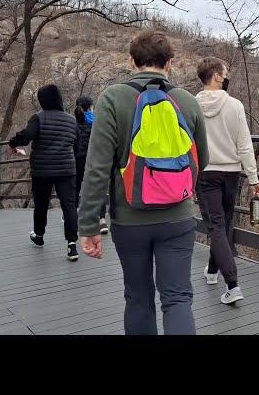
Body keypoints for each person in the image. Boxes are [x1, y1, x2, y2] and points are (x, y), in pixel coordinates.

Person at [78, 30, 209, 335]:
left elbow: (96, 168)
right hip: (178, 218)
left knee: (138, 299)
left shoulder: (113, 98)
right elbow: (204, 159)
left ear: (131, 61)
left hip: (130, 219)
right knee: (177, 299)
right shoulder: (187, 101)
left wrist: (88, 226)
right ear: (170, 64)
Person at [195, 57, 259, 305]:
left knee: (216, 226)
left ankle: (230, 283)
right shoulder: (235, 106)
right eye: (224, 73)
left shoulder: (191, 105)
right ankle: (217, 274)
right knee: (222, 225)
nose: (226, 77)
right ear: (215, 75)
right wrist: (253, 178)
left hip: (205, 174)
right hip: (231, 174)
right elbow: (244, 145)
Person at [8, 84, 80, 261]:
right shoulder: (72, 121)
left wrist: (12, 143)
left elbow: (26, 136)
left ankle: (39, 236)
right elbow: (77, 149)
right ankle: (72, 245)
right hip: (66, 170)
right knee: (69, 206)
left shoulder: (38, 118)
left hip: (43, 170)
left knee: (41, 204)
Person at [74, 95, 109, 235]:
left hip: (77, 160)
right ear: (90, 107)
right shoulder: (97, 122)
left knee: (75, 189)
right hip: (94, 160)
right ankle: (101, 220)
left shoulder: (72, 123)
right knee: (97, 188)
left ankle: (74, 217)